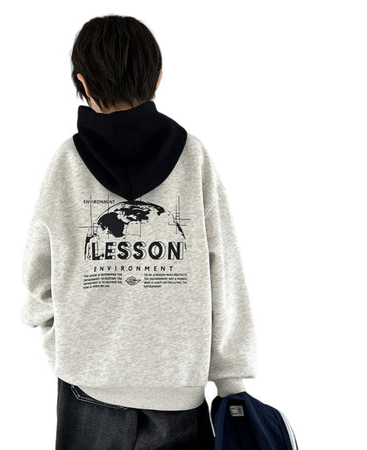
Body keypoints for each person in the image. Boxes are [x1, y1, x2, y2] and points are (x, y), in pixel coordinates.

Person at [20, 14, 258, 450]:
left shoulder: (66, 163)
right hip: (178, 388)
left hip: (88, 384)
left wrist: (62, 343)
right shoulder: (193, 158)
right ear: (158, 77)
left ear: (82, 82)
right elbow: (223, 270)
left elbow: (38, 276)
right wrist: (229, 378)